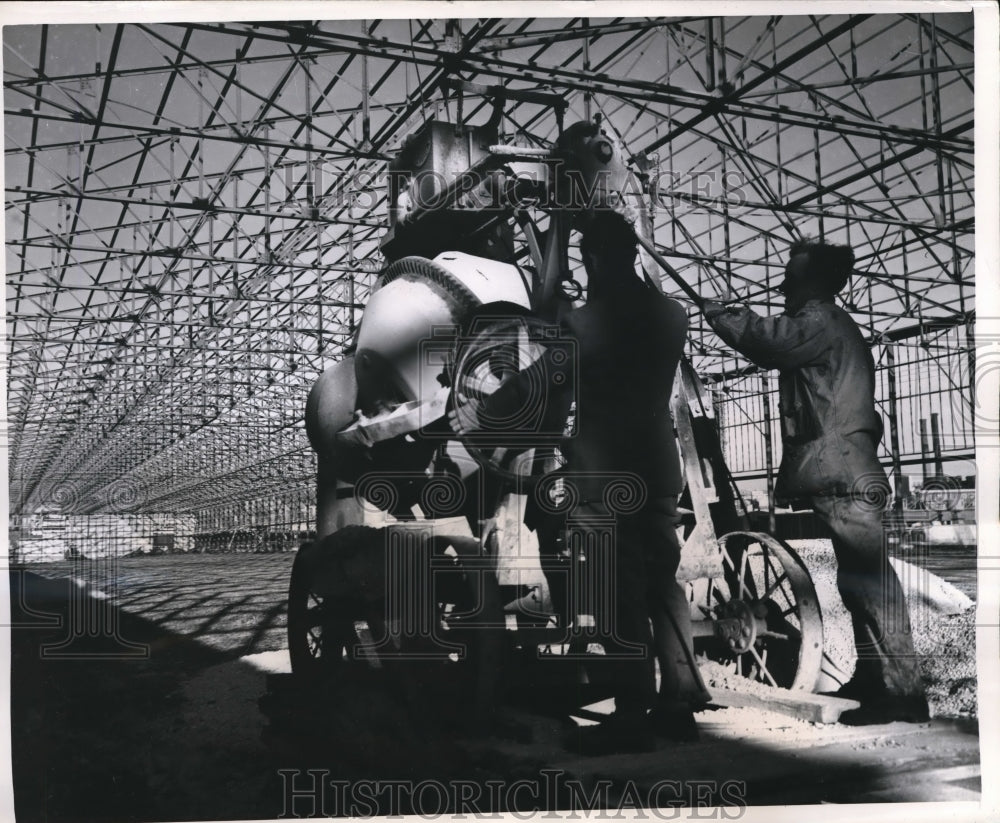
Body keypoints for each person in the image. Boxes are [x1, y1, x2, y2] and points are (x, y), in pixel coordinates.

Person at [469, 211, 709, 753]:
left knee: (617, 590)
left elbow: (540, 385)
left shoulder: (583, 324)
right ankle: (678, 701)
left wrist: (489, 403)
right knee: (662, 581)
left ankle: (631, 713)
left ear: (595, 259)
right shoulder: (673, 316)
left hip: (604, 475)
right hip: (656, 466)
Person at [703, 238, 929, 725]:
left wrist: (723, 315)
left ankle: (903, 694)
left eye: (792, 274)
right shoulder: (835, 328)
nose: (784, 282)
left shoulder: (819, 320)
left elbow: (772, 340)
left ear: (816, 281)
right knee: (856, 584)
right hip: (846, 467)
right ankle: (876, 681)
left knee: (870, 585)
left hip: (842, 470)